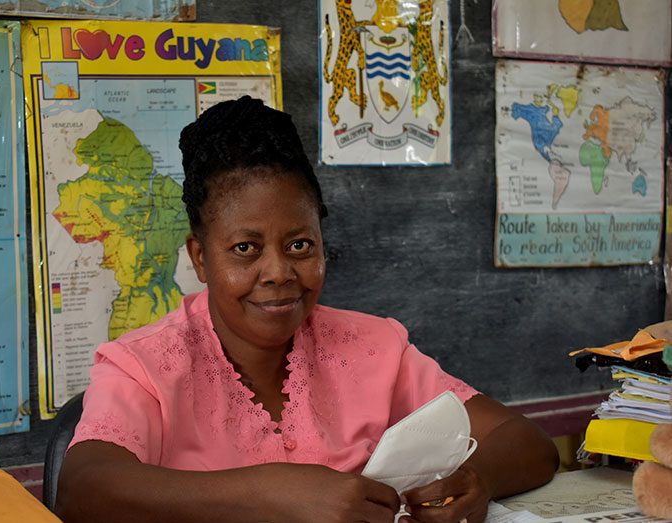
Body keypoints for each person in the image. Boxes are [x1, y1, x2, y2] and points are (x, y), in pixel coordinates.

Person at [55, 96, 559, 523]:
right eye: (245, 249)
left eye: (299, 245)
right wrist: (269, 492)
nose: (278, 272)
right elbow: (82, 489)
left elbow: (527, 442)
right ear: (199, 257)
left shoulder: (374, 348)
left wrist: (478, 481)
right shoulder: (143, 366)